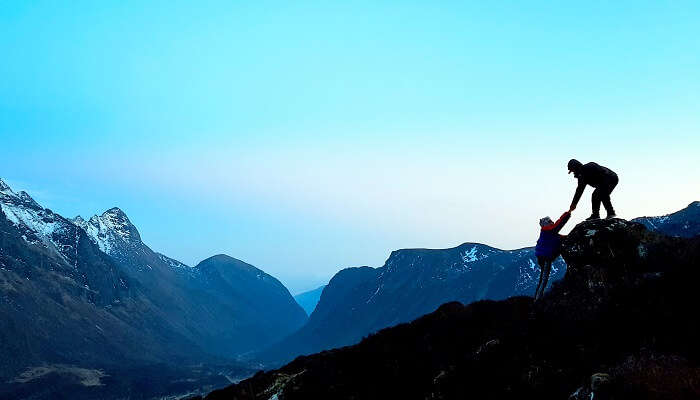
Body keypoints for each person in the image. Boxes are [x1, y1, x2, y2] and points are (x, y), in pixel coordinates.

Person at [534, 211, 571, 301]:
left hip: (542, 257)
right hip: (545, 257)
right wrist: (568, 213)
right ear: (547, 223)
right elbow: (560, 223)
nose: (552, 222)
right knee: (544, 279)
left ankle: (537, 298)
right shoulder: (549, 230)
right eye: (550, 221)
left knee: (543, 278)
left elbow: (557, 237)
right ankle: (537, 300)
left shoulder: (547, 232)